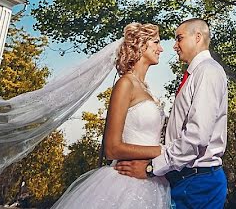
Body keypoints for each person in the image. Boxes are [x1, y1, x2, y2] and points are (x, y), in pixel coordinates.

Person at [51, 22, 171, 209]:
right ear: (141, 44)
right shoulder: (125, 84)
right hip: (125, 183)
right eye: (156, 42)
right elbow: (112, 148)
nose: (161, 48)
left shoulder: (147, 89)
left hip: (152, 179)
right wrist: (163, 151)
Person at [116, 18, 228, 209]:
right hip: (185, 179)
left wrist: (152, 167)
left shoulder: (207, 72)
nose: (174, 46)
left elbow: (197, 136)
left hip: (198, 183)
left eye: (179, 38)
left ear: (198, 37)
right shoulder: (195, 74)